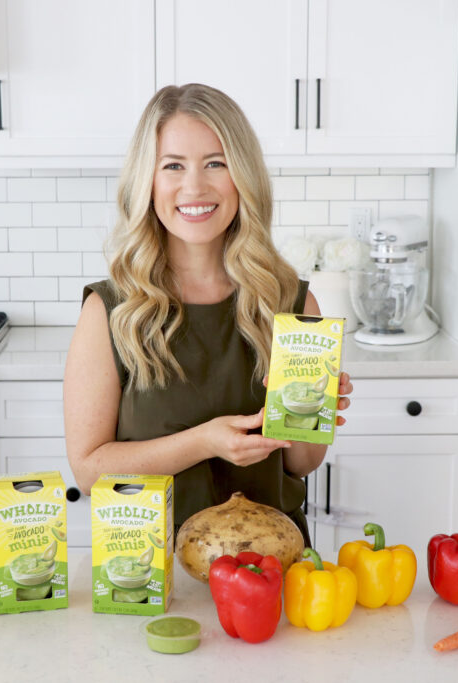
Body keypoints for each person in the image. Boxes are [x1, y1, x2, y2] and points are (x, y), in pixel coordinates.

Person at [63, 83, 352, 545]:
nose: (194, 186)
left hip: (270, 566)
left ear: (243, 176)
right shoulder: (111, 311)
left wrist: (312, 410)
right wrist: (204, 442)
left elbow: (300, 462)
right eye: (173, 165)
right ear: (148, 181)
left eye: (215, 163)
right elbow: (90, 473)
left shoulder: (290, 303)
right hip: (146, 576)